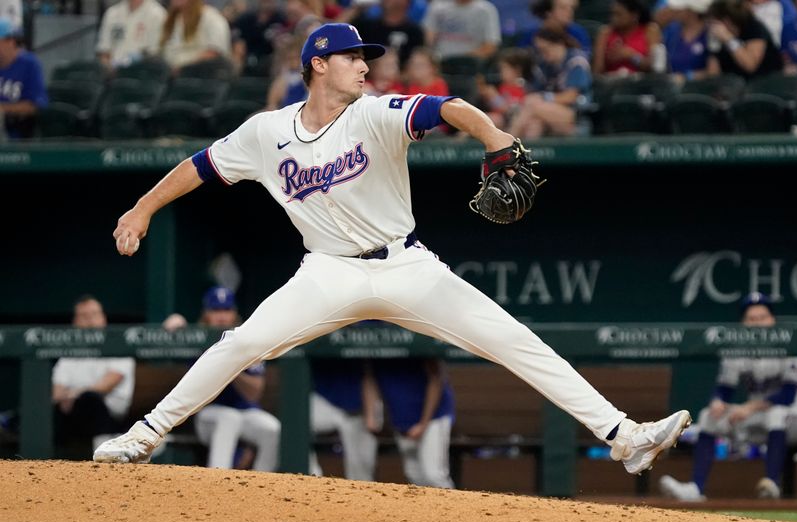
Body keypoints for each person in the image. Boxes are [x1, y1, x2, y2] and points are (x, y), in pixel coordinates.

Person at [93, 23, 691, 479]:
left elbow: (445, 106)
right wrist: (142, 208)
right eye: (353, 57)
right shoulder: (264, 133)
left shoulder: (375, 114)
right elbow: (199, 167)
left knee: (513, 338)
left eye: (366, 58)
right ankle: (143, 435)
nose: (364, 66)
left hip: (405, 265)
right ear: (318, 65)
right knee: (242, 342)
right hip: (327, 272)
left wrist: (493, 135)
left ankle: (625, 437)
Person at [659, 292, 797, 501]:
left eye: (762, 317)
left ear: (772, 320)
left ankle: (771, 484)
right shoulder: (738, 348)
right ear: (743, 324)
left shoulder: (790, 343)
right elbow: (725, 388)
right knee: (709, 416)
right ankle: (696, 489)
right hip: (759, 418)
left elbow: (787, 395)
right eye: (752, 319)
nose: (758, 323)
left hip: (793, 419)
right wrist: (718, 401)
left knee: (776, 413)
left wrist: (749, 408)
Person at [163, 286, 281, 472]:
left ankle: (261, 482)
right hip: (207, 415)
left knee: (272, 429)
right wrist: (175, 325)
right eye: (215, 310)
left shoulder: (246, 338)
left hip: (244, 413)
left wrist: (231, 365)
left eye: (226, 310)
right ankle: (218, 481)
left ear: (234, 313)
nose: (221, 316)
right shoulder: (198, 337)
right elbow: (168, 340)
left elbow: (254, 393)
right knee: (228, 418)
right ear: (206, 314)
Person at [52, 296, 135, 456]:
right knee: (53, 410)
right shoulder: (69, 353)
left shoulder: (118, 345)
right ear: (75, 322)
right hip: (73, 412)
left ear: (103, 318)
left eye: (94, 314)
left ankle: (103, 458)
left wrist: (74, 394)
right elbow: (57, 392)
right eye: (84, 316)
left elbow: (106, 386)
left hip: (111, 415)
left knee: (91, 399)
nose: (90, 321)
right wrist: (68, 398)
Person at [366, 357, 456, 488]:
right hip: (401, 419)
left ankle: (453, 508)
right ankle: (423, 508)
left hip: (434, 418)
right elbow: (370, 379)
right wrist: (372, 416)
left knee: (434, 475)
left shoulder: (420, 345)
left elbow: (436, 379)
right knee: (413, 474)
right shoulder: (374, 348)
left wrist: (423, 424)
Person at [508, 27, 591, 139]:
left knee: (532, 104)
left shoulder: (576, 62)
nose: (543, 55)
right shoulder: (545, 65)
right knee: (534, 124)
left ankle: (506, 146)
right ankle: (526, 156)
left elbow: (570, 97)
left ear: (559, 44)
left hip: (576, 117)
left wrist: (544, 97)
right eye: (540, 51)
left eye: (545, 50)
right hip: (549, 112)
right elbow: (534, 90)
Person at [309, 359, 381, 480]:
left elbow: (369, 376)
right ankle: (309, 478)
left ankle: (361, 493)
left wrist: (372, 414)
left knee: (363, 473)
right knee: (297, 419)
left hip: (358, 410)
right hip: (325, 403)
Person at [704, 0, 783, 80]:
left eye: (714, 22)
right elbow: (713, 75)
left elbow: (750, 65)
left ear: (726, 21)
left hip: (764, 83)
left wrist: (728, 39)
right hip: (733, 85)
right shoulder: (717, 37)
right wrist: (714, 47)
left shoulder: (754, 28)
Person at [0, 18, 47, 140]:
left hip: (17, 132)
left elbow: (34, 106)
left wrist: (3, 109)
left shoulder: (30, 64)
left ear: (10, 41)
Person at [592, 0, 664, 76]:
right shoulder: (605, 33)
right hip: (612, 83)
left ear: (634, 16)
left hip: (642, 83)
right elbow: (597, 72)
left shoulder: (650, 30)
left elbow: (655, 67)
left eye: (619, 14)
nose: (613, 18)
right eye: (612, 14)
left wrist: (632, 56)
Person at [160, 0, 232, 73]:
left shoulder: (213, 20)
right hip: (169, 75)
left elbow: (214, 53)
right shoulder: (171, 21)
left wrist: (182, 69)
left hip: (201, 77)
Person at [348, 0, 424, 67]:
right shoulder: (366, 26)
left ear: (407, 3)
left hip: (403, 80)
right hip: (367, 75)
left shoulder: (415, 32)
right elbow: (339, 33)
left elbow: (418, 60)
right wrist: (356, 9)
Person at [96, 0, 167, 69]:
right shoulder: (112, 13)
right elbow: (104, 50)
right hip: (113, 73)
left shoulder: (158, 14)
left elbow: (154, 52)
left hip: (143, 73)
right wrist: (108, 67)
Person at [422, 0, 501, 60]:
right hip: (439, 61)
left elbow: (491, 46)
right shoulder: (438, 6)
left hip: (471, 64)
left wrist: (461, 59)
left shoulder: (486, 10)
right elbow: (427, 39)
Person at [477, 47, 530, 130]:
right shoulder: (502, 86)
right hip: (500, 123)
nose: (501, 72)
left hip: (515, 124)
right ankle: (461, 139)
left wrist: (495, 98)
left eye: (505, 68)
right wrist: (487, 98)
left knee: (493, 118)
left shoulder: (523, 88)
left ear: (517, 70)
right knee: (481, 117)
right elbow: (496, 109)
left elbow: (512, 112)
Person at [516, 0, 592, 56]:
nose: (570, 11)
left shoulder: (578, 33)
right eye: (563, 8)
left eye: (571, 8)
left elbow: (584, 61)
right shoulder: (530, 35)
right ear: (548, 12)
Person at [661, 0, 712, 83]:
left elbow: (713, 72)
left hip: (701, 90)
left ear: (691, 11)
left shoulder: (710, 33)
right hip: (673, 90)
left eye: (680, 9)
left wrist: (687, 77)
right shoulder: (672, 30)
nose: (675, 11)